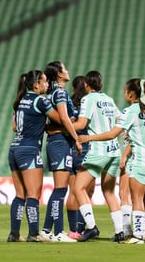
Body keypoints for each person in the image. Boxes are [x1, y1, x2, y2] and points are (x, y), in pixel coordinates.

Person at [79, 78, 145, 244]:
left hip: (141, 159)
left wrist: (88, 137)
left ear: (131, 94)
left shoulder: (130, 111)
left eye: (125, 91)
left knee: (137, 198)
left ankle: (138, 235)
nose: (124, 94)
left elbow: (112, 134)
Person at [7, 70, 60, 242]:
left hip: (14, 148)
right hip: (29, 150)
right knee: (33, 194)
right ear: (36, 84)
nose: (47, 85)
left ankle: (14, 234)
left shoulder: (20, 101)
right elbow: (59, 118)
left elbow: (15, 127)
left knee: (20, 194)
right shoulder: (40, 101)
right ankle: (33, 233)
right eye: (44, 82)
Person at [72, 70, 124, 243]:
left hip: (98, 151)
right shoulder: (109, 100)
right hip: (115, 151)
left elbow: (81, 123)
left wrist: (65, 123)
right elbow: (120, 119)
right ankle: (119, 232)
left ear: (86, 85)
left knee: (79, 188)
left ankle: (91, 226)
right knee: (109, 191)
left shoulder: (88, 99)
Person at [40, 61, 81, 243]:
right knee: (61, 189)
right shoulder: (61, 92)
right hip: (60, 143)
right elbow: (64, 117)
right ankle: (58, 232)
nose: (67, 70)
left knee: (60, 189)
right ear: (58, 74)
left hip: (56, 142)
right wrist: (76, 138)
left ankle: (47, 230)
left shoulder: (49, 94)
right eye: (64, 68)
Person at [65, 76, 95, 240]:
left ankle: (73, 230)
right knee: (87, 192)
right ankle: (83, 228)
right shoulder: (90, 103)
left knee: (74, 191)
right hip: (88, 149)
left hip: (71, 149)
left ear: (73, 89)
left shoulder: (68, 104)